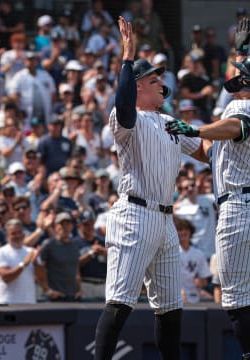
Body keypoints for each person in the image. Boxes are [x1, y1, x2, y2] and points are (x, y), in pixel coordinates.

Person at [94, 17, 211, 360]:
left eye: (161, 77)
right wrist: (127, 60)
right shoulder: (128, 116)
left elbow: (205, 151)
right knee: (119, 304)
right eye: (153, 78)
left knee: (171, 308)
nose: (161, 82)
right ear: (137, 86)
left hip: (165, 220)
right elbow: (125, 107)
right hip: (134, 213)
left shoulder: (170, 122)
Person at [165, 18, 250, 359]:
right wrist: (184, 137)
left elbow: (234, 127)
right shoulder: (236, 105)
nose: (233, 88)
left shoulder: (242, 107)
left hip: (239, 207)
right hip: (239, 199)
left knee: (235, 296)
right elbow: (212, 155)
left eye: (239, 82)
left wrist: (196, 129)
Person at [0, 219, 40, 305]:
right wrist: (23, 264)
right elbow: (6, 277)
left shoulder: (31, 252)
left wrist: (37, 264)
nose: (17, 236)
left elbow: (41, 280)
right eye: (14, 233)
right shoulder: (1, 252)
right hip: (8, 303)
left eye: (19, 232)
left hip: (29, 303)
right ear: (7, 235)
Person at [174, 216, 211, 304]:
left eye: (186, 229)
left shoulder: (199, 254)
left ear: (190, 232)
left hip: (194, 299)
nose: (183, 232)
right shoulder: (171, 253)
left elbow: (205, 280)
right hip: (175, 297)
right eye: (179, 230)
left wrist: (200, 282)